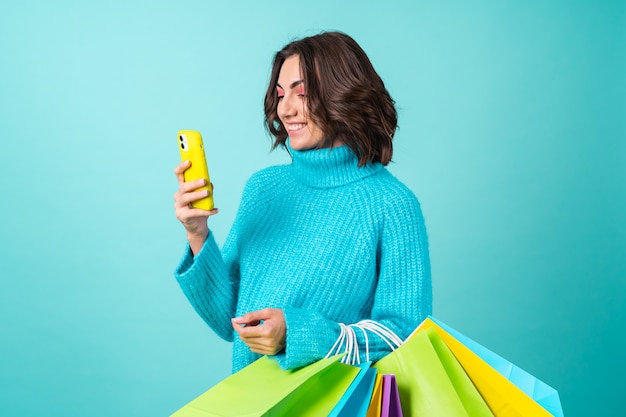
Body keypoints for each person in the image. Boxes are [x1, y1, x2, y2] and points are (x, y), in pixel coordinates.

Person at [173, 31, 432, 373]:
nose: (285, 109)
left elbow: (404, 338)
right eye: (280, 94)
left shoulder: (393, 205)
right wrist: (197, 235)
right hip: (252, 405)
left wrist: (297, 333)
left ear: (344, 93)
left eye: (302, 93)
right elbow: (231, 321)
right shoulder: (264, 189)